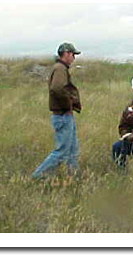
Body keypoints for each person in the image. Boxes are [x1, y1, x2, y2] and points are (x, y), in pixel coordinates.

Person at [31, 42, 82, 179]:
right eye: (72, 55)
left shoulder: (59, 68)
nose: (73, 58)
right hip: (63, 115)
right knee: (62, 152)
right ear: (66, 53)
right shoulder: (60, 69)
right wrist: (68, 104)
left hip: (64, 115)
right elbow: (57, 88)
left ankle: (74, 177)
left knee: (72, 149)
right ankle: (37, 176)